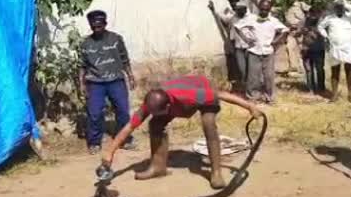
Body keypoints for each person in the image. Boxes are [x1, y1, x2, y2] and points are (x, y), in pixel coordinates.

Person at [100, 75, 261, 189]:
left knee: (208, 123)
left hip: (202, 89)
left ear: (169, 107)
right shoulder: (150, 103)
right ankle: (158, 167)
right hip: (176, 98)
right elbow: (129, 126)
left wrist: (250, 107)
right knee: (155, 124)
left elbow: (221, 94)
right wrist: (110, 151)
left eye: (162, 112)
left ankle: (216, 172)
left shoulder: (190, 95)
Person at [79, 10, 137, 154]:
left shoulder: (116, 39)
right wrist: (82, 84)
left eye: (99, 25)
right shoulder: (86, 44)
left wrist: (130, 76)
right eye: (93, 26)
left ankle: (124, 139)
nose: (96, 28)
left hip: (116, 81)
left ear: (105, 24)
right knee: (95, 113)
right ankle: (94, 142)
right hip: (95, 83)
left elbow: (125, 59)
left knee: (123, 111)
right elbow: (82, 66)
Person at [236, 0, 289, 103]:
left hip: (268, 52)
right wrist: (246, 39)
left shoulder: (273, 21)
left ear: (269, 10)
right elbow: (237, 27)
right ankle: (253, 97)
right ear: (259, 8)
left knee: (269, 76)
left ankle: (269, 97)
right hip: (254, 51)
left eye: (266, 9)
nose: (264, 11)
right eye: (262, 9)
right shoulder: (251, 19)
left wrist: (275, 41)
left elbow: (285, 30)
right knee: (253, 77)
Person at [318, 0, 351, 101]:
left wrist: (346, 3)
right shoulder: (329, 18)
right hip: (335, 47)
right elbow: (320, 27)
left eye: (341, 6)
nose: (339, 8)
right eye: (337, 6)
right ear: (334, 7)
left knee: (350, 71)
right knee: (335, 71)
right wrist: (326, 37)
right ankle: (334, 95)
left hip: (348, 48)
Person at [209, 0, 254, 93]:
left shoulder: (251, 17)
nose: (235, 8)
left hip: (249, 47)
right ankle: (243, 88)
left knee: (250, 69)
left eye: (237, 6)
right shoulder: (232, 17)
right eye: (232, 5)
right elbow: (222, 19)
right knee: (241, 69)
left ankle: (251, 89)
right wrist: (213, 10)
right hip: (237, 46)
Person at [299, 5, 326, 94]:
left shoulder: (322, 23)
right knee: (308, 69)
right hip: (306, 49)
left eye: (316, 14)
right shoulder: (304, 21)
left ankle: (321, 88)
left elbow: (324, 34)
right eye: (312, 13)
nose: (313, 16)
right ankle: (310, 88)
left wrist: (314, 31)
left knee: (319, 69)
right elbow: (297, 33)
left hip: (318, 48)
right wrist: (303, 31)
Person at [282, 0, 310, 75]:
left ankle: (303, 67)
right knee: (289, 48)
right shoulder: (287, 8)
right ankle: (293, 68)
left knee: (302, 49)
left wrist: (302, 26)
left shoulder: (301, 5)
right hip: (291, 31)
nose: (288, 0)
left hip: (301, 31)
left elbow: (310, 13)